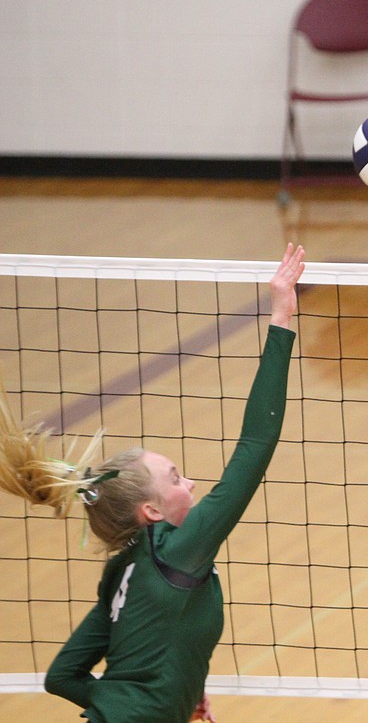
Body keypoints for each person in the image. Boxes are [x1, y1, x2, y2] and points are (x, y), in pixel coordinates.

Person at [0, 243, 305, 723]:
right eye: (176, 478)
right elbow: (256, 444)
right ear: (153, 511)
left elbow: (63, 676)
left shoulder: (122, 570)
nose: (192, 483)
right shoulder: (181, 549)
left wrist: (162, 700)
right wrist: (282, 315)